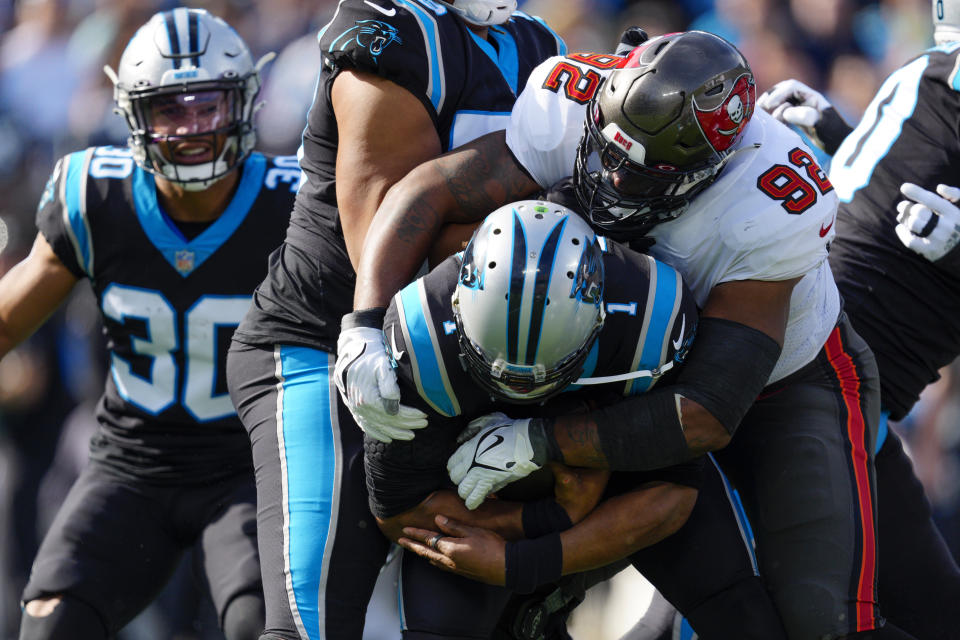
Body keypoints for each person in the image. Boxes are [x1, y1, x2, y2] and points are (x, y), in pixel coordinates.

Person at [337, 31, 911, 640]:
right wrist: (366, 325)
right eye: (604, 150)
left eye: (642, 173)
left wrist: (540, 442)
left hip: (779, 382)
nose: (609, 179)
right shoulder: (567, 97)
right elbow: (425, 192)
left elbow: (704, 416)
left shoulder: (768, 202)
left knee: (821, 619)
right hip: (610, 357)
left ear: (709, 169)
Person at [224, 2, 566, 639]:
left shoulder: (539, 42)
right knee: (310, 620)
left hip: (461, 356)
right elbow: (382, 239)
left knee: (471, 624)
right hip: (333, 342)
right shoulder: (386, 34)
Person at [372, 200, 788, 639]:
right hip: (481, 497)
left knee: (738, 609)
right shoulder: (423, 335)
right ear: (456, 307)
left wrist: (528, 560)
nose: (525, 391)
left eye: (551, 371)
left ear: (602, 315)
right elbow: (398, 508)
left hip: (614, 477)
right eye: (498, 369)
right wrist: (550, 517)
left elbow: (671, 492)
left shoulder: (648, 318)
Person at [0, 8, 289, 640]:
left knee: (260, 627)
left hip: (248, 466)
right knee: (49, 626)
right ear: (132, 116)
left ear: (243, 102)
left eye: (207, 107)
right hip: (132, 462)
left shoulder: (292, 206)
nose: (189, 130)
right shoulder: (94, 196)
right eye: (169, 110)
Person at [754, 3, 960, 637]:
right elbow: (893, 187)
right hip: (806, 371)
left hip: (849, 398)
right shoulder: (934, 71)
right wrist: (838, 136)